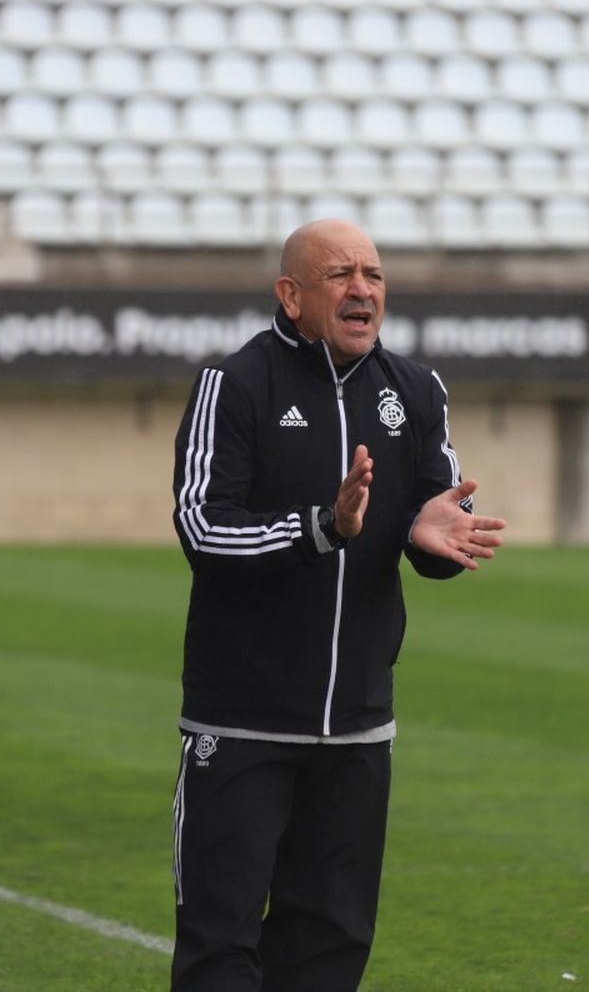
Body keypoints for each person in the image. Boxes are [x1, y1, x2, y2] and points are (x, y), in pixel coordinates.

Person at [168, 219, 507, 990]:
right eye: (341, 274)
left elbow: (436, 521)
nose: (363, 290)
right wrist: (324, 526)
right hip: (241, 723)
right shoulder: (235, 385)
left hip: (357, 730)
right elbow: (202, 528)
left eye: (375, 275)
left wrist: (431, 537)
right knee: (220, 950)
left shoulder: (415, 392)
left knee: (330, 948)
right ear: (290, 295)